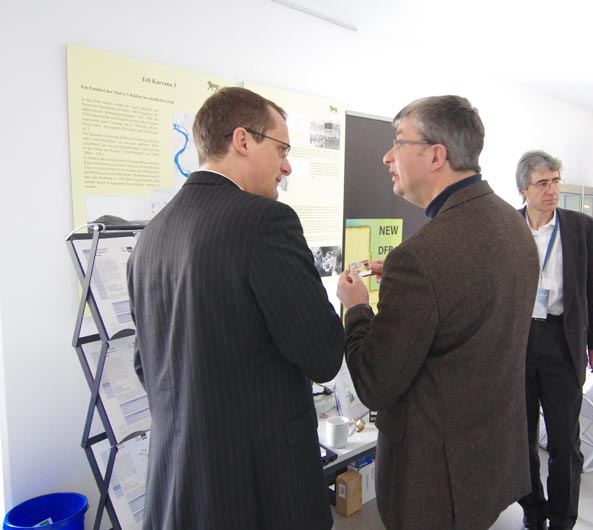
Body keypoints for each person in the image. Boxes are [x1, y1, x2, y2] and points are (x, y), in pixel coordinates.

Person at [127, 87, 345, 530]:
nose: (287, 166)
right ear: (242, 140)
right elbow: (323, 355)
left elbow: (145, 364)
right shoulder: (265, 221)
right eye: (282, 149)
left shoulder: (150, 237)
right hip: (259, 491)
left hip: (177, 486)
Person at [335, 95, 539, 530]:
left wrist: (357, 308)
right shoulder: (513, 224)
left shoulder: (421, 257)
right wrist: (410, 284)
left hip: (433, 480)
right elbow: (469, 307)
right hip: (487, 461)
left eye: (398, 142)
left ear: (435, 155)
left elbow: (375, 383)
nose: (387, 157)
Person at [515, 150, 593, 530]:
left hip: (562, 339)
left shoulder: (581, 227)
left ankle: (562, 519)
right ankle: (533, 512)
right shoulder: (507, 227)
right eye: (542, 183)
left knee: (565, 442)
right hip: (517, 343)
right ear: (523, 189)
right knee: (520, 439)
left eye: (555, 181)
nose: (552, 190)